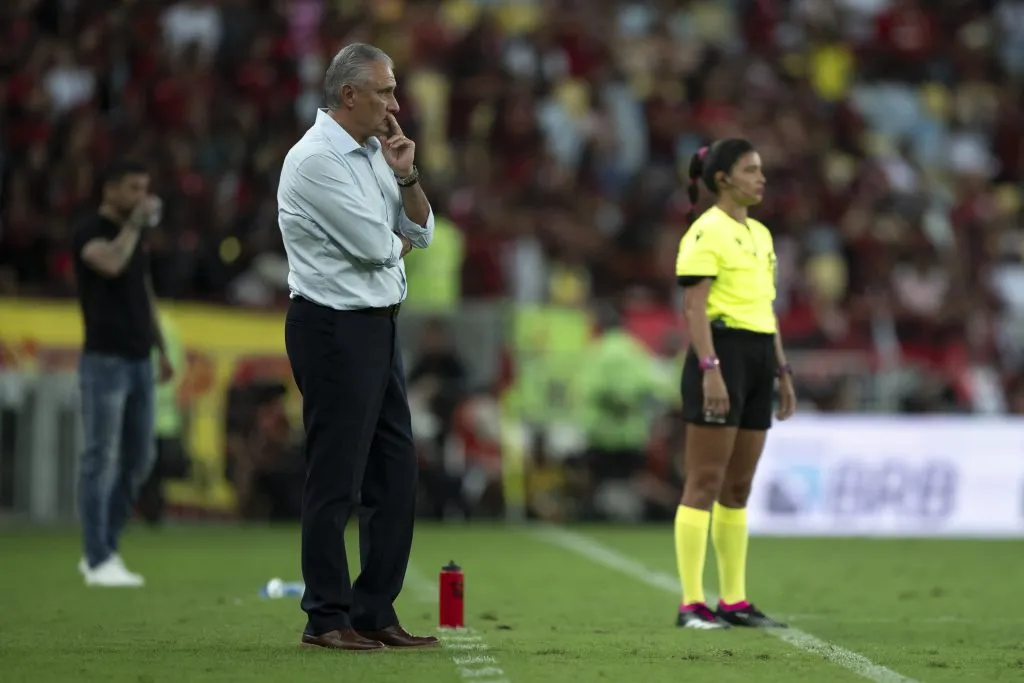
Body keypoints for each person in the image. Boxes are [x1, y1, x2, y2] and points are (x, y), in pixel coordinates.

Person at [277, 43, 438, 652]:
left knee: (395, 476)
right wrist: (397, 236)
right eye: (385, 91)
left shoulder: (376, 153)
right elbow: (378, 244)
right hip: (332, 327)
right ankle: (325, 616)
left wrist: (406, 174)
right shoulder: (315, 159)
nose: (396, 104)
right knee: (336, 477)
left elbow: (421, 227)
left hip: (378, 325)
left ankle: (373, 610)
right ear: (349, 95)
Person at [672, 139, 797, 629]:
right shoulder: (705, 234)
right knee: (703, 481)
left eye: (761, 169)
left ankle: (734, 600)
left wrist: (783, 372)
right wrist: (710, 368)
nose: (761, 178)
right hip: (721, 355)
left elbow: (766, 311)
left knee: (739, 487)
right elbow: (694, 308)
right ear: (723, 178)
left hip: (758, 357)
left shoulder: (763, 236)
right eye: (751, 170)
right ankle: (690, 603)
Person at [73, 160, 173, 587]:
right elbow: (111, 264)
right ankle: (97, 558)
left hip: (138, 359)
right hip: (104, 360)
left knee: (139, 459)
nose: (141, 198)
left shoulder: (138, 238)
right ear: (110, 189)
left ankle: (107, 549)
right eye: (133, 188)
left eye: (145, 189)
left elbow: (142, 290)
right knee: (100, 457)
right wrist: (133, 226)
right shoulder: (88, 231)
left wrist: (162, 348)